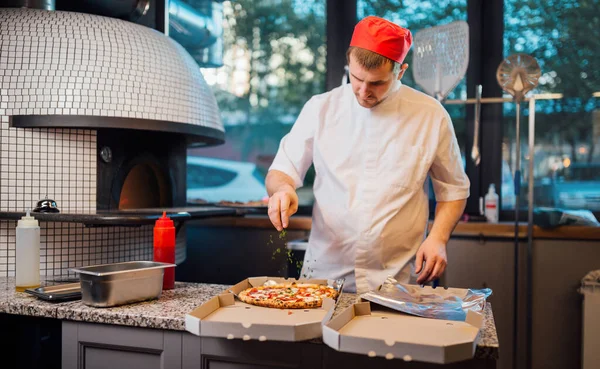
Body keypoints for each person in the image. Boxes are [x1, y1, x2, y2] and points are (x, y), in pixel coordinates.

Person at [265, 16, 469, 293]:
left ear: (400, 71)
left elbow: (454, 190)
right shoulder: (320, 108)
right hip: (324, 274)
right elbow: (282, 171)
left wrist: (438, 238)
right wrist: (282, 190)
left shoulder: (431, 116)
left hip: (397, 279)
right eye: (357, 78)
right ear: (349, 60)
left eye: (377, 83)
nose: (363, 92)